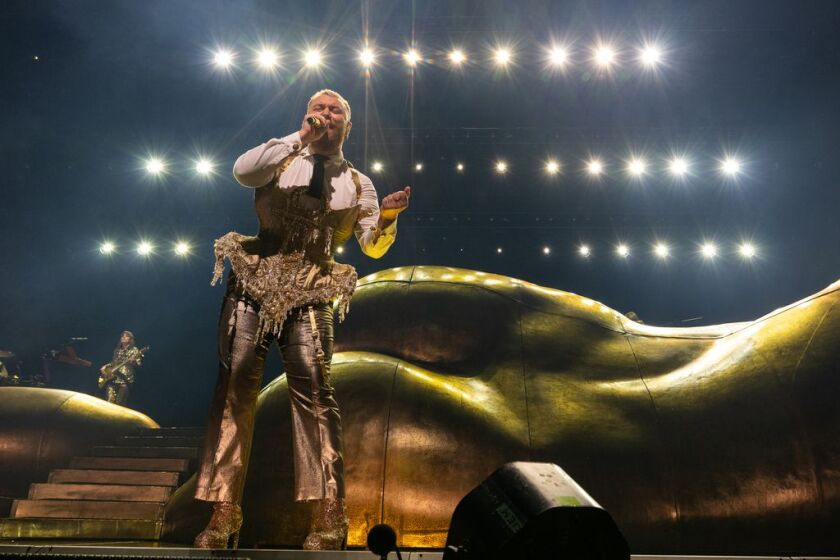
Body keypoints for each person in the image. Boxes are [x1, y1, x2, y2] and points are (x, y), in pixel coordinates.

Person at [194, 89, 410, 550]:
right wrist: (299, 137)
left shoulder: (358, 182)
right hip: (254, 280)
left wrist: (388, 216)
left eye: (336, 111)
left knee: (315, 391)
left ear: (347, 127)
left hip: (312, 289)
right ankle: (224, 510)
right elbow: (242, 171)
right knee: (234, 390)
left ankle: (329, 512)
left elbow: (371, 242)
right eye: (319, 108)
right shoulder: (281, 152)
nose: (326, 115)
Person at [99, 330, 142, 405]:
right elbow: (113, 363)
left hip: (125, 380)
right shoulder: (117, 350)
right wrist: (105, 366)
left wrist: (133, 361)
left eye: (126, 336)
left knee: (119, 403)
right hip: (112, 378)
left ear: (130, 339)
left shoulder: (134, 350)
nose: (123, 337)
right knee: (108, 402)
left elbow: (138, 364)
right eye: (122, 336)